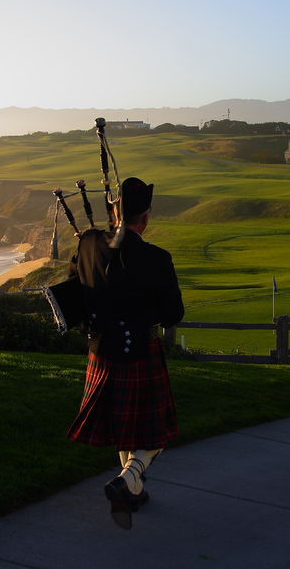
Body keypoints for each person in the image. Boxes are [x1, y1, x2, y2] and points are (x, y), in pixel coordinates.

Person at [65, 176, 184, 530]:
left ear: (113, 212)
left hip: (100, 351)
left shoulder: (87, 243)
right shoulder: (157, 258)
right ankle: (129, 476)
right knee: (155, 431)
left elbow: (75, 284)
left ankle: (132, 491)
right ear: (144, 219)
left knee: (124, 427)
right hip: (139, 352)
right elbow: (173, 314)